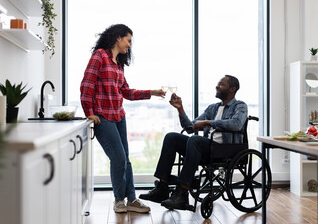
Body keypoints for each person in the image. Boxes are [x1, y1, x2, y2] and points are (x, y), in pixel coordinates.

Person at [80, 24, 165, 213]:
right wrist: (89, 112)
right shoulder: (99, 56)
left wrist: (151, 92)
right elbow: (87, 84)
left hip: (119, 116)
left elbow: (126, 91)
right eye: (128, 40)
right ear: (118, 38)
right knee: (118, 158)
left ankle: (132, 200)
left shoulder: (118, 64)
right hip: (103, 116)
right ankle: (119, 200)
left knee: (125, 159)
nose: (129, 45)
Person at [139, 75, 248, 210]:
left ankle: (182, 193)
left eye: (221, 84)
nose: (217, 86)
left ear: (232, 89)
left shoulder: (240, 106)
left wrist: (208, 122)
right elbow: (191, 128)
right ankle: (162, 188)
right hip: (207, 148)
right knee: (171, 137)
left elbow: (236, 124)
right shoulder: (212, 108)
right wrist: (180, 109)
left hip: (225, 150)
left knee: (195, 140)